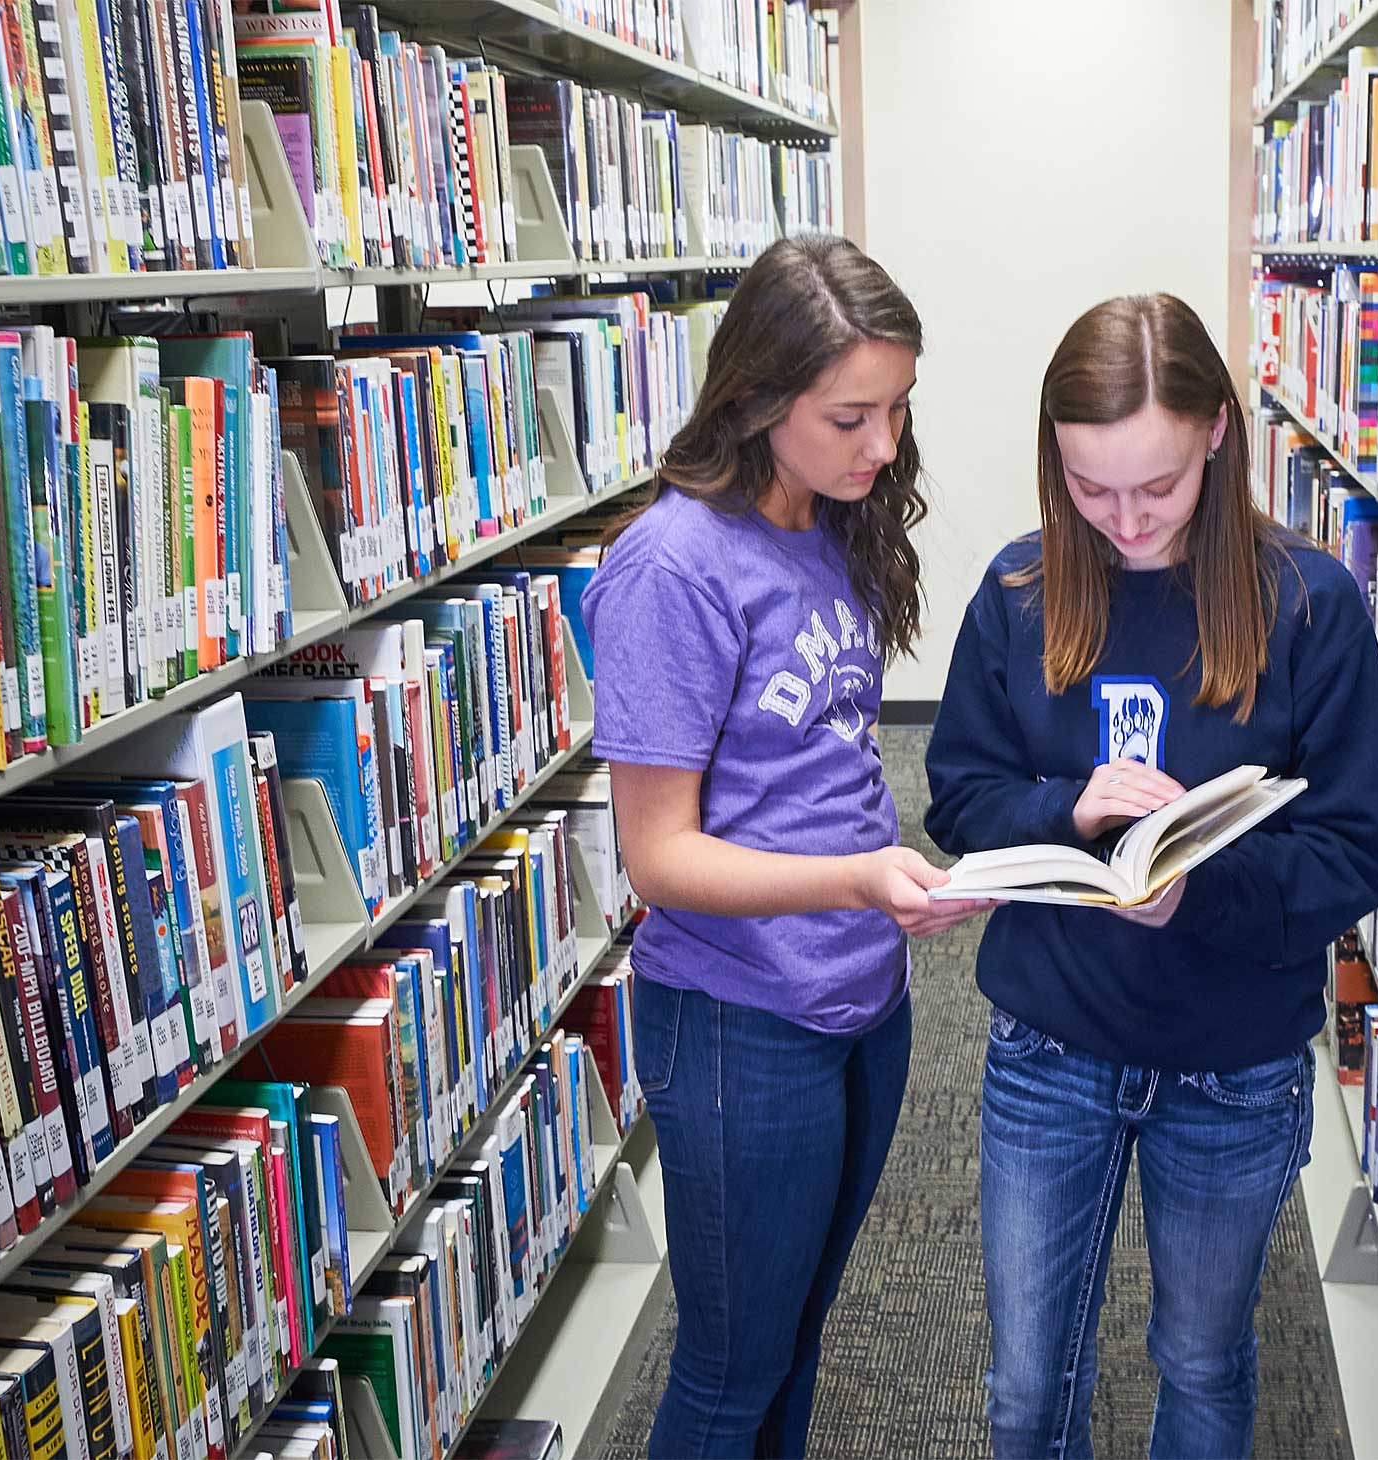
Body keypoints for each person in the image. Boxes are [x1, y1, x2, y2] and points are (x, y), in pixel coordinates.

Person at [924, 293, 1378, 1460]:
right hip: (1050, 1042)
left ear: (1218, 436)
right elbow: (956, 794)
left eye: (1157, 486)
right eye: (1090, 489)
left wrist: (1202, 888)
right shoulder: (1020, 589)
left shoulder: (1309, 606)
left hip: (1231, 1063)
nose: (1124, 520)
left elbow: (1352, 850)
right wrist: (1065, 806)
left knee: (1199, 1361)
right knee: (1028, 1385)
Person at [582, 233, 990, 1459]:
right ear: (756, 399)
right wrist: (860, 876)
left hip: (860, 993)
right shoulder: (672, 568)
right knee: (728, 1367)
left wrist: (870, 893)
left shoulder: (825, 517)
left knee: (798, 1332)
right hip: (738, 1022)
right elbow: (658, 858)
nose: (884, 445)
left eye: (897, 409)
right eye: (850, 415)